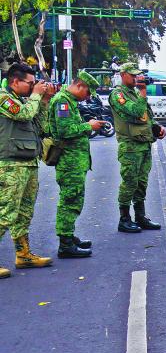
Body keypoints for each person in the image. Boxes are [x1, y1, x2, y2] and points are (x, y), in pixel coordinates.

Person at [0, 63, 53, 278]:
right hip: (9, 165)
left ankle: (23, 254)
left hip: (28, 162)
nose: (34, 87)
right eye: (30, 84)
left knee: (24, 212)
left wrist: (45, 101)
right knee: (5, 213)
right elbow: (22, 114)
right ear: (15, 81)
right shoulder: (4, 98)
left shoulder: (25, 100)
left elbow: (42, 128)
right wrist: (36, 96)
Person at [48, 71, 106, 257]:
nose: (88, 97)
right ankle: (65, 244)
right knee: (69, 201)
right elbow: (65, 130)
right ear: (80, 86)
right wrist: (89, 126)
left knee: (74, 199)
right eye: (88, 92)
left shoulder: (69, 101)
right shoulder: (62, 101)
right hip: (69, 162)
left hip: (75, 161)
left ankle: (68, 235)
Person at [108, 63, 166, 233]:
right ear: (123, 74)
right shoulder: (118, 94)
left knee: (142, 182)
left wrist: (156, 126)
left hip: (144, 143)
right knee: (129, 182)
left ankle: (140, 216)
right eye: (133, 75)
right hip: (130, 146)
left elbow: (146, 116)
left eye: (138, 75)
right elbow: (135, 111)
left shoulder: (134, 92)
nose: (136, 78)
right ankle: (124, 218)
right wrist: (142, 92)